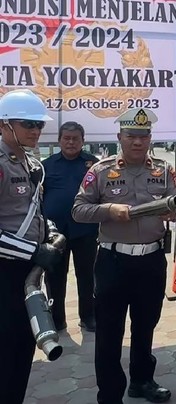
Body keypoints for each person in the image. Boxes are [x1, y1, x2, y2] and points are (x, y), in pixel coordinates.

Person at [72, 108, 176, 404]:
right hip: (113, 262)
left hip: (151, 260)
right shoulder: (101, 170)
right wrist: (108, 210)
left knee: (146, 325)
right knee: (109, 332)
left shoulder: (163, 169)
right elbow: (79, 210)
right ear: (120, 137)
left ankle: (143, 380)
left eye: (143, 135)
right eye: (132, 135)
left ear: (150, 138)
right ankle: (109, 394)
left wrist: (173, 211)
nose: (138, 141)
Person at [0, 90, 63, 404]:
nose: (36, 130)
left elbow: (34, 212)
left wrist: (49, 234)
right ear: (4, 124)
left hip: (28, 272)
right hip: (5, 272)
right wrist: (33, 252)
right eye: (27, 124)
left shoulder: (33, 164)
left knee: (23, 348)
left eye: (39, 124)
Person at [43, 121, 99, 332]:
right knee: (55, 278)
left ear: (83, 141)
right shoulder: (46, 165)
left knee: (87, 276)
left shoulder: (93, 164)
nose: (71, 142)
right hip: (55, 233)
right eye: (66, 138)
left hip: (86, 230)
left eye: (75, 138)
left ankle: (88, 317)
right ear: (59, 140)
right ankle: (57, 320)